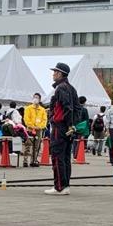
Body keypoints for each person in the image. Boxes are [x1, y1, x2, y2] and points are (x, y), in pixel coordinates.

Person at [44, 62, 79, 195]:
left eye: (55, 72)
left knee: (57, 156)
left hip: (60, 127)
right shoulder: (72, 88)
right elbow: (77, 109)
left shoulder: (61, 88)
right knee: (65, 157)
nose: (53, 74)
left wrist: (68, 124)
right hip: (68, 127)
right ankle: (65, 186)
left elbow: (67, 107)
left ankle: (59, 186)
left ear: (60, 73)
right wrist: (73, 125)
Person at [22, 92, 47, 167]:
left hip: (39, 130)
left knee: (36, 146)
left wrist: (40, 126)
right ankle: (25, 161)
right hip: (30, 129)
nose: (35, 99)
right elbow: (26, 119)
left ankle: (33, 160)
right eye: (34, 97)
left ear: (39, 100)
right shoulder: (28, 108)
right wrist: (32, 126)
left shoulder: (42, 110)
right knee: (28, 145)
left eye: (37, 98)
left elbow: (44, 120)